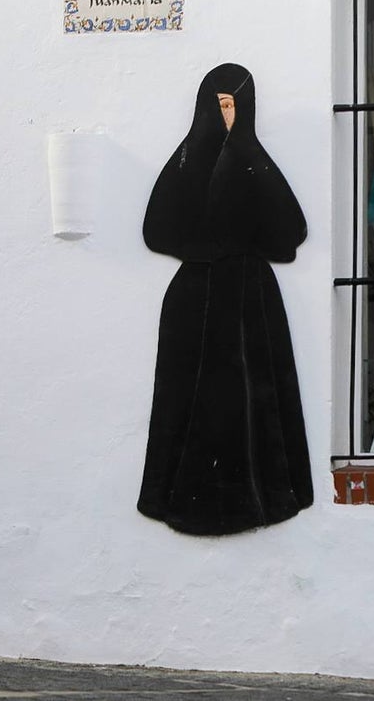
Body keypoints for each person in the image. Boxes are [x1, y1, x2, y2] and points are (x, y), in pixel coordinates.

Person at [137, 63, 312, 535]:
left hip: (250, 298)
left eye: (233, 105)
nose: (226, 115)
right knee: (186, 397)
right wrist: (212, 249)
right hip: (195, 297)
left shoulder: (254, 161)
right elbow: (157, 230)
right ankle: (175, 498)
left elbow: (290, 233)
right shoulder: (187, 161)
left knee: (257, 398)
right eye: (219, 105)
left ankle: (264, 498)